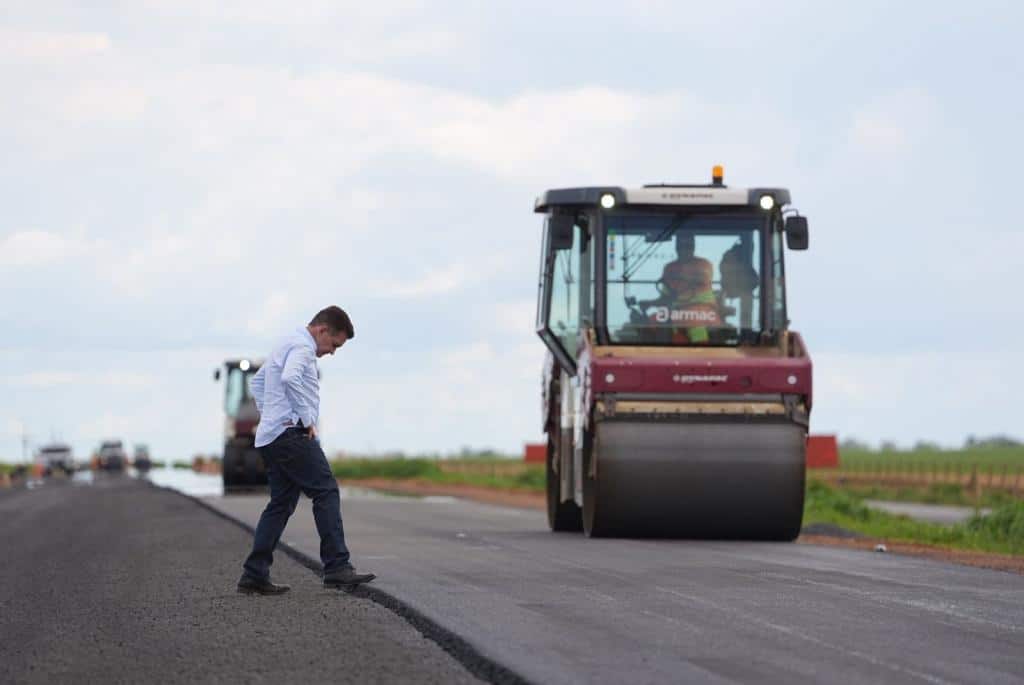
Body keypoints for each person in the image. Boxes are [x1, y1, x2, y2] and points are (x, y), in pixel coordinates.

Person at [237, 305, 376, 595]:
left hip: (272, 436)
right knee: (325, 490)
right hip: (291, 435)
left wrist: (270, 416)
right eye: (334, 344)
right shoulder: (302, 346)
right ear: (322, 330)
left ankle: (254, 574)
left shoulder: (287, 341)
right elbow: (289, 379)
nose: (332, 352)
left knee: (281, 504)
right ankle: (337, 567)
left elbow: (258, 382)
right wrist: (305, 418)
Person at [640, 233, 719, 343]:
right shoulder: (669, 268)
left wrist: (681, 275)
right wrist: (650, 303)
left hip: (703, 310)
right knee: (651, 321)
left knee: (693, 322)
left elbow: (703, 278)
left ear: (693, 247)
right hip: (676, 311)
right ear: (676, 248)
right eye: (681, 246)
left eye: (688, 246)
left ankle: (702, 352)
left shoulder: (703, 264)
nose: (684, 249)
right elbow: (665, 298)